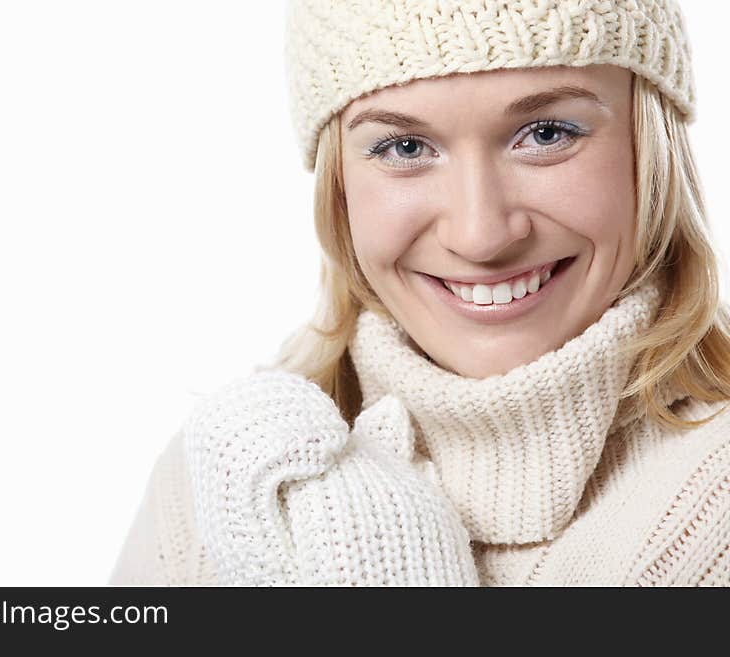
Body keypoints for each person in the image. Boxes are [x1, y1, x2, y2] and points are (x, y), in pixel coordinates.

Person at [111, 0, 730, 586]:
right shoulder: (233, 479)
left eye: (546, 134)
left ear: (651, 151)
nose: (480, 234)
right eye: (404, 147)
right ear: (340, 186)